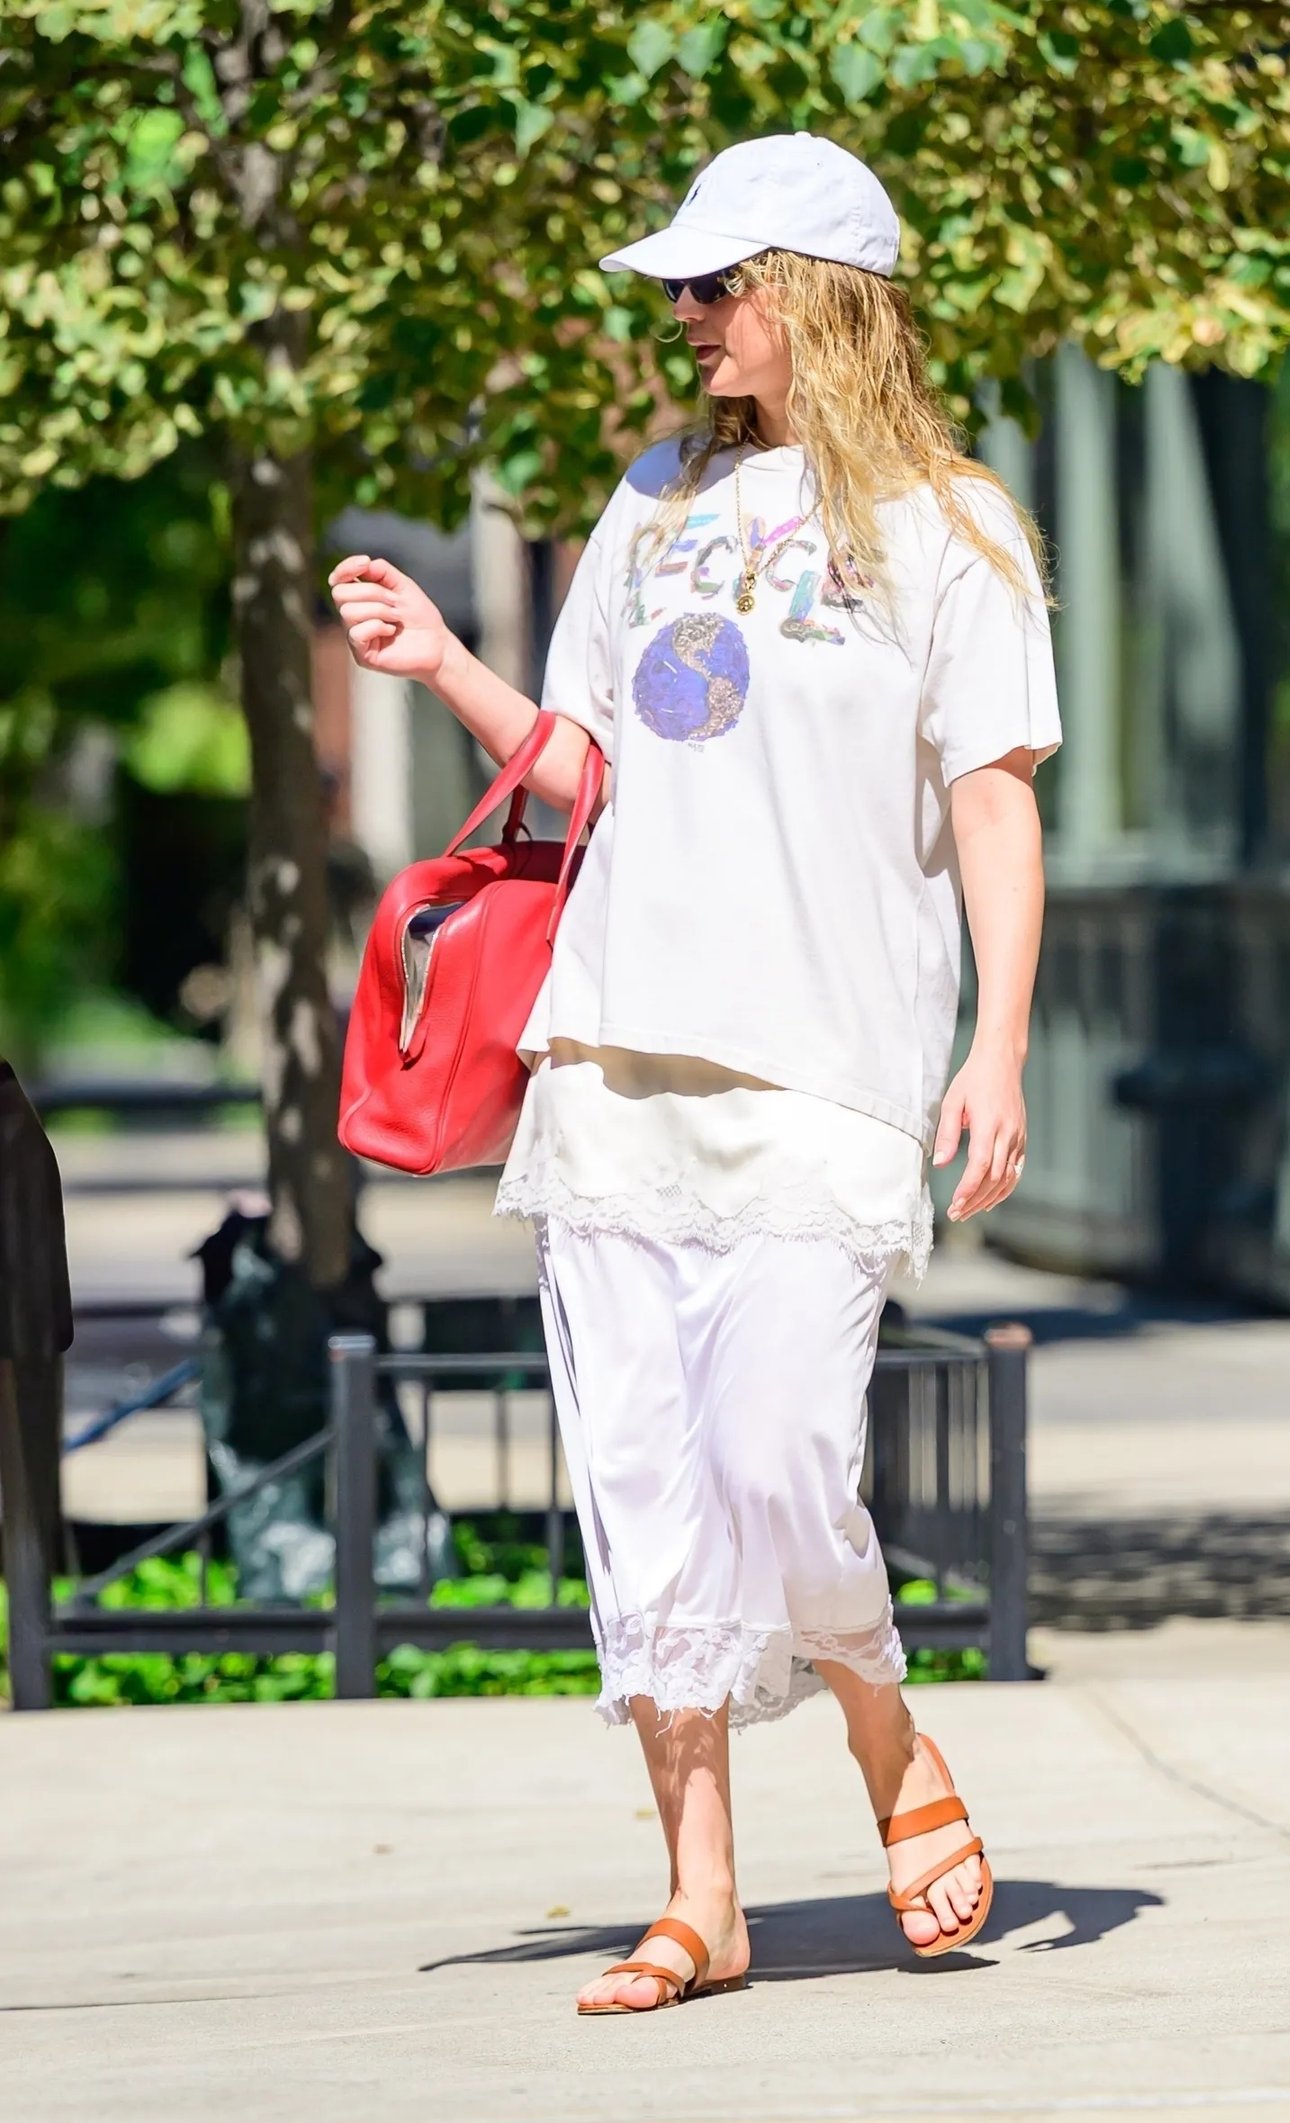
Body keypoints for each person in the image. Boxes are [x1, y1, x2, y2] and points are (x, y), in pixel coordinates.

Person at [330, 132, 1060, 2016]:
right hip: (613, 1055)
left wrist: (997, 1040)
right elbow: (586, 768)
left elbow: (993, 800)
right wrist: (447, 669)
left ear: (818, 297)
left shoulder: (956, 528)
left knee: (784, 1461)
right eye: (680, 286)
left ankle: (883, 1728)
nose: (687, 315)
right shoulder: (653, 500)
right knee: (645, 1492)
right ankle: (701, 1897)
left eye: (719, 284)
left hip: (827, 1068)